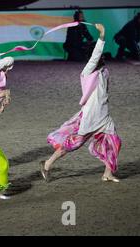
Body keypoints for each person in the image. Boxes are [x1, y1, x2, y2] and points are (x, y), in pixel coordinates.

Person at [41, 23, 122, 183]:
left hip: (104, 116)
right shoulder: (87, 72)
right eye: (100, 56)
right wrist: (102, 35)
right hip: (90, 117)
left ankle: (107, 173)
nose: (102, 57)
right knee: (73, 145)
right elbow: (96, 55)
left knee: (114, 142)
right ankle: (47, 164)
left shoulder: (104, 71)